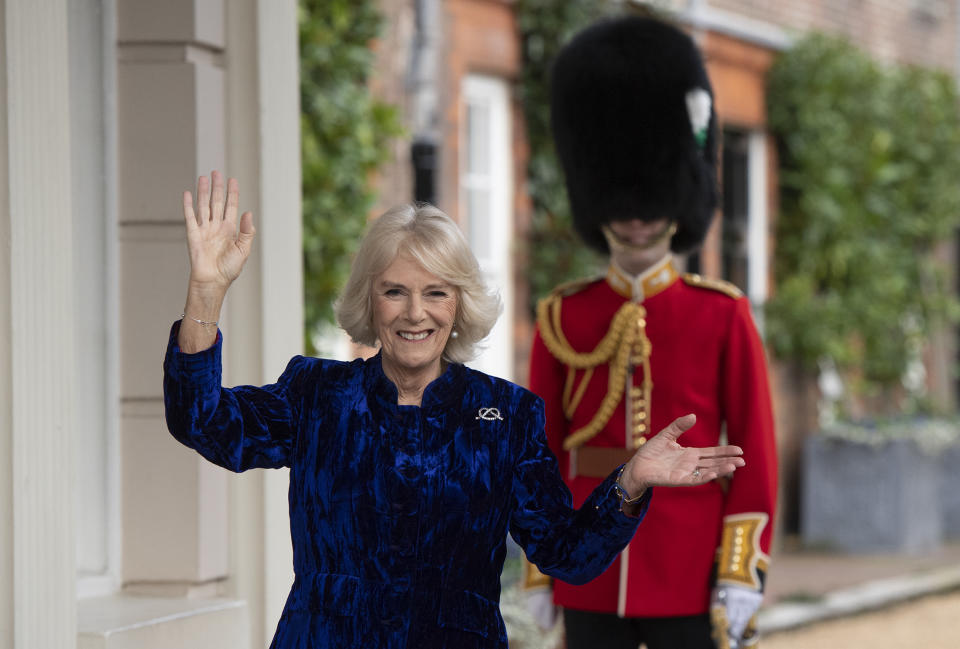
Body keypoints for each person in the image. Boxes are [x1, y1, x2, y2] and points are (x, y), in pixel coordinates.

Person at [163, 171, 747, 649]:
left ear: (459, 304)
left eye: (436, 292)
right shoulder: (316, 393)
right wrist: (206, 294)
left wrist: (630, 482)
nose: (415, 313)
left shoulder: (507, 415)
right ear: (371, 299)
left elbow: (567, 555)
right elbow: (202, 422)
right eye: (395, 291)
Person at [522, 15, 778, 649]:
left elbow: (755, 454)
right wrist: (538, 568)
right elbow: (539, 452)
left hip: (689, 563)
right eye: (621, 207)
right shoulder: (564, 316)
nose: (636, 221)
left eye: (651, 207)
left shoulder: (722, 314)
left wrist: (741, 567)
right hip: (588, 559)